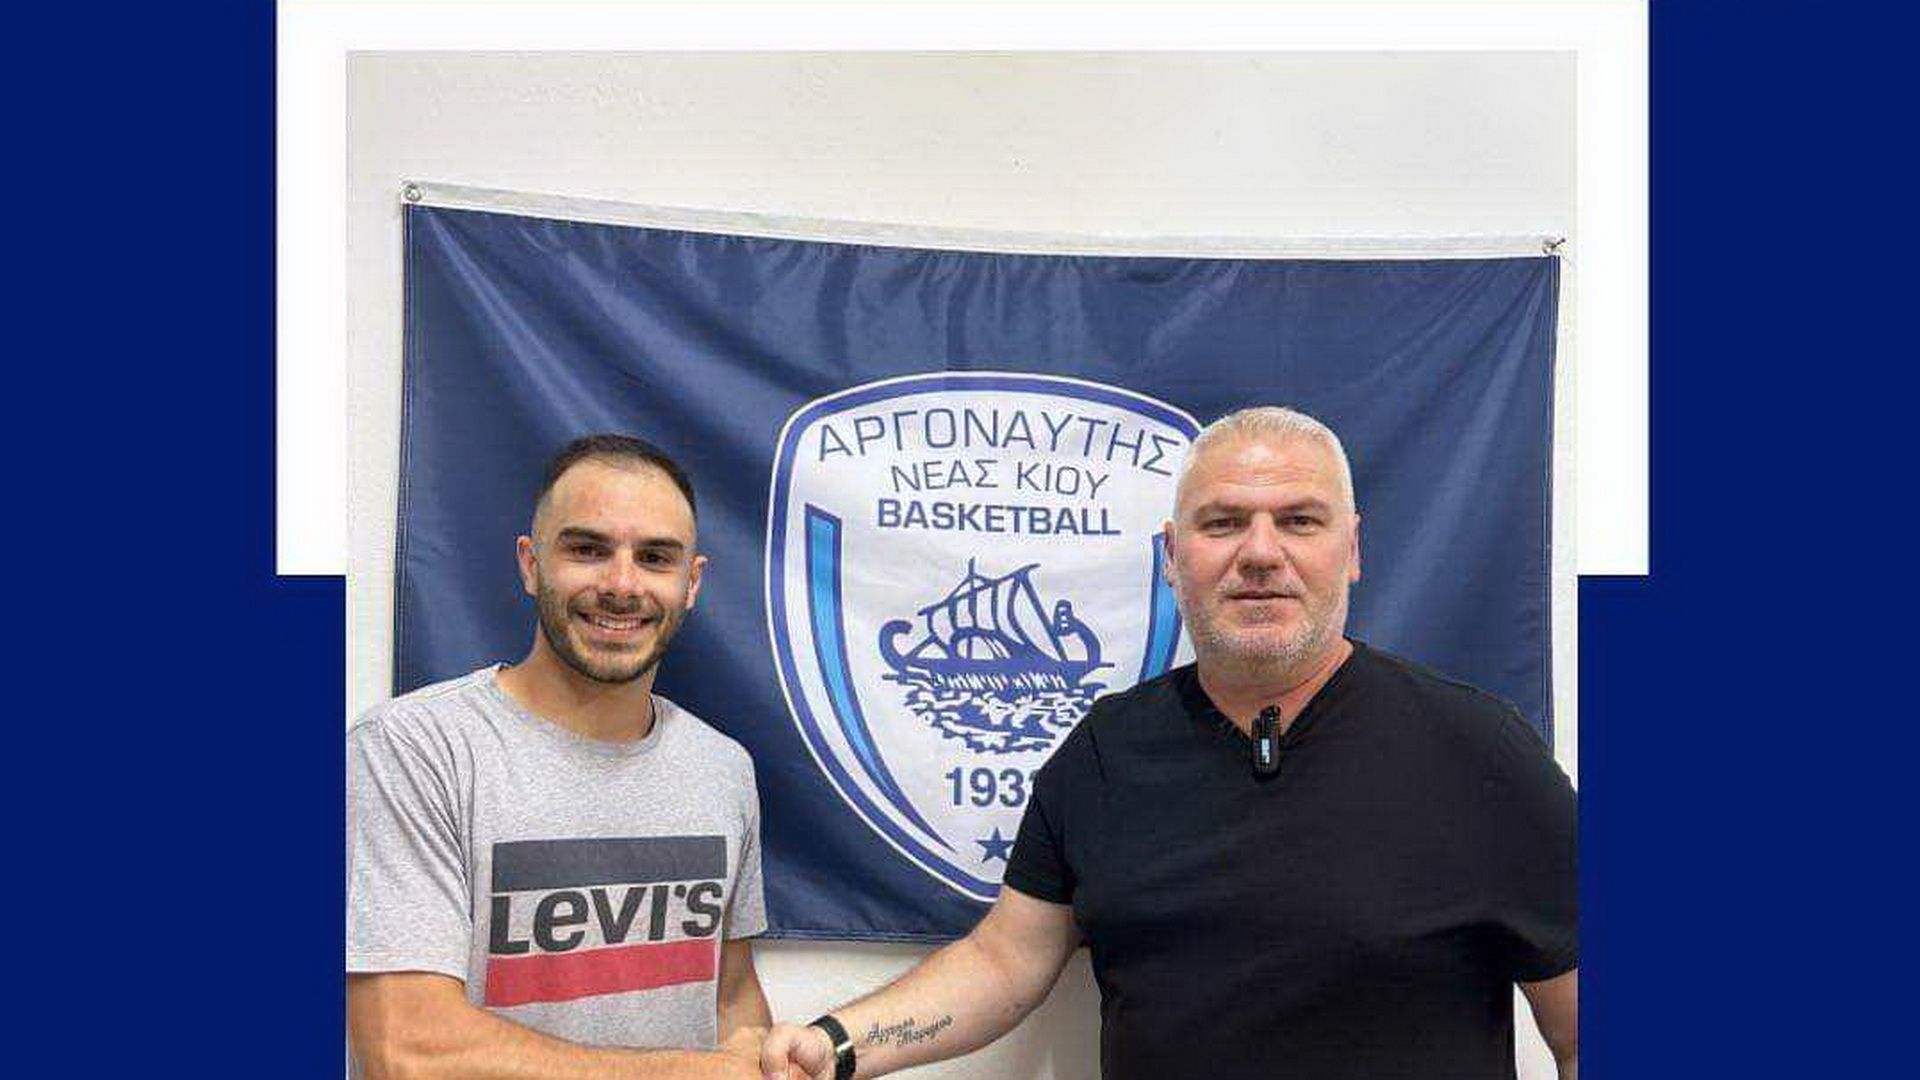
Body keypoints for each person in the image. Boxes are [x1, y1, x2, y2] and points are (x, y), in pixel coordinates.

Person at [760, 406, 1577, 1080]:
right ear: (1171, 556)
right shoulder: (1104, 752)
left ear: (1353, 549)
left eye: (1299, 520)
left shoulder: (1482, 753)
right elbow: (1005, 962)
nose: (1262, 552)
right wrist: (838, 1044)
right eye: (1223, 523)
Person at [348, 434, 771, 1079]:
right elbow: (406, 1049)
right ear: (531, 564)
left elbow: (731, 997)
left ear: (691, 583)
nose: (621, 585)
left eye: (655, 558)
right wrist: (689, 1075)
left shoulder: (724, 768)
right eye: (587, 549)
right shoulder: (413, 749)